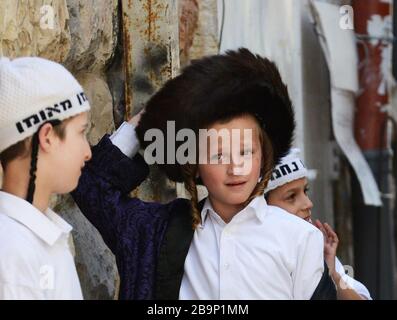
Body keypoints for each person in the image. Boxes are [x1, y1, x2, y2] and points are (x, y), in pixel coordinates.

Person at [72, 48, 336, 299]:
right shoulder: (155, 233)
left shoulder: (299, 239)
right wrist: (146, 120)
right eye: (218, 155)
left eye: (245, 152)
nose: (235, 168)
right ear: (195, 163)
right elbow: (91, 186)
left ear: (263, 157)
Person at [0, 57, 92, 299]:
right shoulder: (13, 252)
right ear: (48, 136)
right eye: (81, 132)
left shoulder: (38, 236)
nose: (88, 152)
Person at [265, 148, 372, 300]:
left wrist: (332, 274)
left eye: (305, 191)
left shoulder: (316, 249)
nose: (308, 203)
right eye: (291, 197)